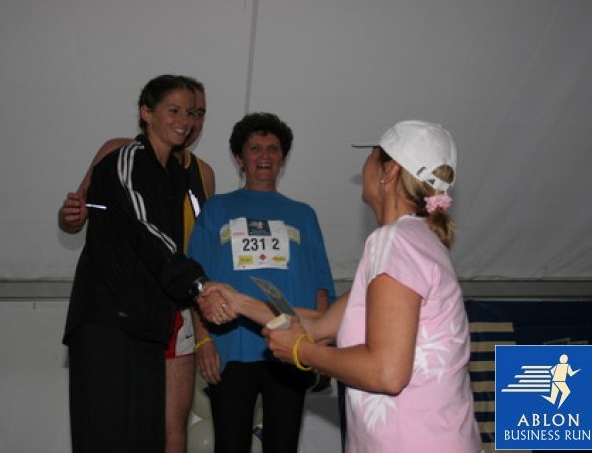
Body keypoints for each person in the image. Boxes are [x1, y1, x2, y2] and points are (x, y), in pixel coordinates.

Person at [200, 120, 482, 453]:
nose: (363, 167)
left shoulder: (394, 242)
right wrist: (239, 302)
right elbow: (320, 325)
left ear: (389, 171)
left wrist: (301, 351)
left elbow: (387, 373)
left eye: (371, 156)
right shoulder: (417, 239)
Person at [58, 77, 214, 453]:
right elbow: (144, 230)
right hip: (110, 315)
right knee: (105, 433)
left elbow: (191, 243)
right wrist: (200, 285)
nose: (186, 121)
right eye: (174, 111)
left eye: (193, 113)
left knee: (150, 436)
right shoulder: (124, 156)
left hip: (154, 317)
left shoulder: (182, 174)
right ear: (146, 112)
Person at [187, 112, 335, 453]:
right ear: (239, 158)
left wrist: (321, 348)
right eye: (255, 148)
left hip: (292, 348)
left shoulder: (304, 214)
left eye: (273, 149)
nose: (264, 156)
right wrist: (203, 340)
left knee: (283, 445)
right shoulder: (216, 209)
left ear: (282, 158)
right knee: (230, 445)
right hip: (231, 348)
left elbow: (321, 286)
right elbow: (196, 284)